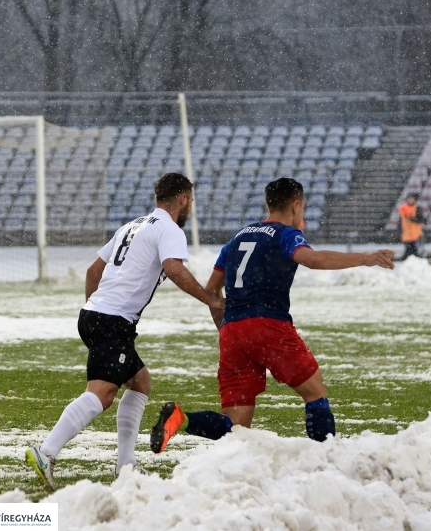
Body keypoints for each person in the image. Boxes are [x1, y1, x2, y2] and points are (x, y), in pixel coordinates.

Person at [149, 177, 395, 451]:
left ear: (267, 204)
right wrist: (364, 258)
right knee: (315, 393)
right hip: (268, 324)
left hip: (232, 331)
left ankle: (181, 420)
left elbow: (212, 291)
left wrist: (227, 328)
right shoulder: (285, 235)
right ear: (296, 205)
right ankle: (327, 459)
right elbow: (312, 260)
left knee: (237, 427)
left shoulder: (237, 237)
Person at [25, 173, 226, 489]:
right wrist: (210, 299)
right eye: (191, 201)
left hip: (94, 315)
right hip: (111, 321)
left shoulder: (132, 226)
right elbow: (174, 269)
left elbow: (94, 270)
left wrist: (97, 308)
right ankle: (46, 452)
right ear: (184, 199)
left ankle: (126, 466)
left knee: (140, 382)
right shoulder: (169, 230)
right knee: (102, 394)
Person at [398, 193, 423, 259]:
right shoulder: (403, 209)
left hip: (415, 234)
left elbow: (420, 219)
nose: (410, 200)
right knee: (408, 251)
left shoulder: (417, 208)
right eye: (409, 199)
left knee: (415, 251)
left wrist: (412, 219)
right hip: (407, 234)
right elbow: (400, 221)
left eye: (412, 199)